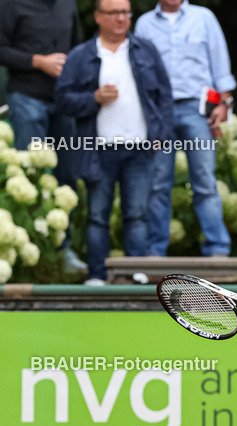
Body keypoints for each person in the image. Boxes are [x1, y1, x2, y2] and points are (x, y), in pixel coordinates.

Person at [54, 0, 173, 286]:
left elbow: (164, 97)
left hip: (140, 148)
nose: (121, 18)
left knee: (137, 213)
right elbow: (62, 99)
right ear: (98, 17)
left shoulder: (146, 49)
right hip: (98, 150)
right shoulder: (82, 55)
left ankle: (136, 271)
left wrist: (161, 135)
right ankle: (97, 274)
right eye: (114, 13)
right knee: (97, 215)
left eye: (125, 13)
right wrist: (93, 98)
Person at [136, 0, 235, 258]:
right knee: (157, 183)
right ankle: (155, 252)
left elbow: (220, 62)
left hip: (197, 109)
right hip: (158, 112)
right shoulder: (144, 24)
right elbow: (137, 72)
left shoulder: (204, 17)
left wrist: (224, 104)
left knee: (205, 181)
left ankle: (218, 250)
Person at [0, 0, 85, 272]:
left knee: (67, 176)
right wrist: (38, 61)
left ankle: (63, 250)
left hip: (64, 101)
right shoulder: (9, 4)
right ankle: (27, 253)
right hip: (26, 97)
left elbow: (78, 49)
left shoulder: (67, 4)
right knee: (30, 176)